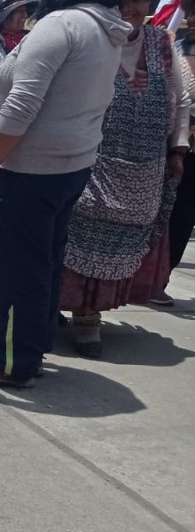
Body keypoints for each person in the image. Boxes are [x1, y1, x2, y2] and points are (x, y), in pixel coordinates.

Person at [0, 0, 130, 387]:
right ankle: (29, 345)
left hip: (30, 169)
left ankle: (11, 361)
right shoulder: (104, 28)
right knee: (43, 263)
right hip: (71, 163)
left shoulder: (60, 26)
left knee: (16, 269)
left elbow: (21, 106)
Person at [54, 0, 188, 357]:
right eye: (124, 0)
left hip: (144, 166)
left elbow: (182, 99)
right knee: (74, 234)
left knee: (120, 243)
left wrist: (177, 149)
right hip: (91, 159)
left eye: (139, 1)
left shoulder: (162, 43)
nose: (131, 8)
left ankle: (89, 310)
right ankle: (69, 309)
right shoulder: (92, 38)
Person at [156, 0, 195, 306]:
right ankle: (150, 279)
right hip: (172, 147)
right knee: (163, 214)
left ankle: (161, 278)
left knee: (184, 218)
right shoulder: (173, 48)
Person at [0, 0, 35, 65]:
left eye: (25, 11)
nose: (25, 15)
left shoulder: (32, 38)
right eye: (20, 11)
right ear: (6, 16)